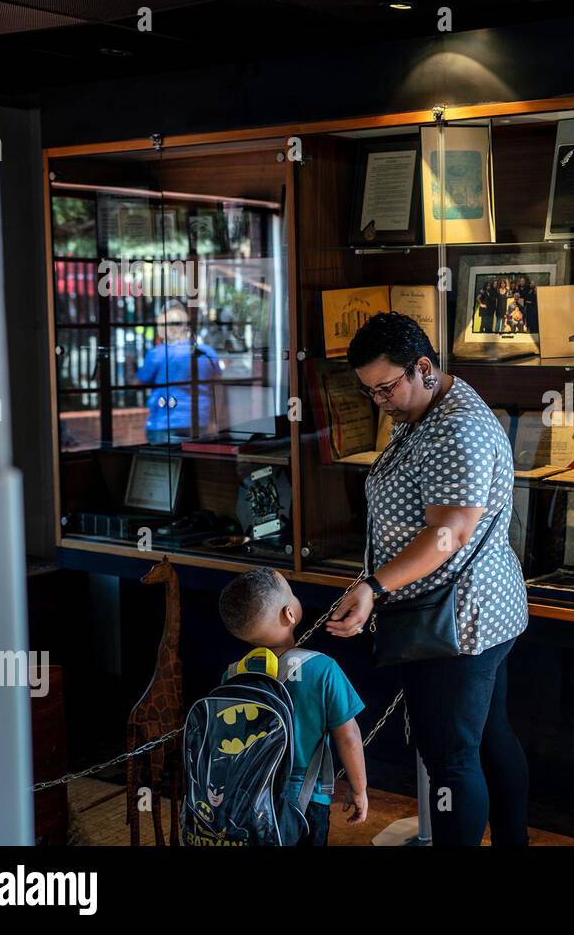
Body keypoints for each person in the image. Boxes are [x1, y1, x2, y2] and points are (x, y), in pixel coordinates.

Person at [327, 311, 531, 846]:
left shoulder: (454, 426)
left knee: (450, 760)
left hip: (456, 620)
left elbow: (450, 533)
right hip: (481, 608)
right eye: (370, 391)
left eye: (387, 387)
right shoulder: (430, 407)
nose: (380, 401)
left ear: (423, 367)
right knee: (488, 739)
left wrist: (374, 587)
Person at [217, 567, 368, 845]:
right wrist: (359, 790)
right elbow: (349, 738)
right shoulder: (323, 669)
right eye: (292, 593)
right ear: (290, 614)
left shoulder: (233, 674)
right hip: (308, 798)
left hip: (250, 796)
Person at [135, 299, 221, 443]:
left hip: (163, 422)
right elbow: (218, 389)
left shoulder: (158, 353)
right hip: (199, 421)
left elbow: (138, 383)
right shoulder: (207, 353)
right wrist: (215, 420)